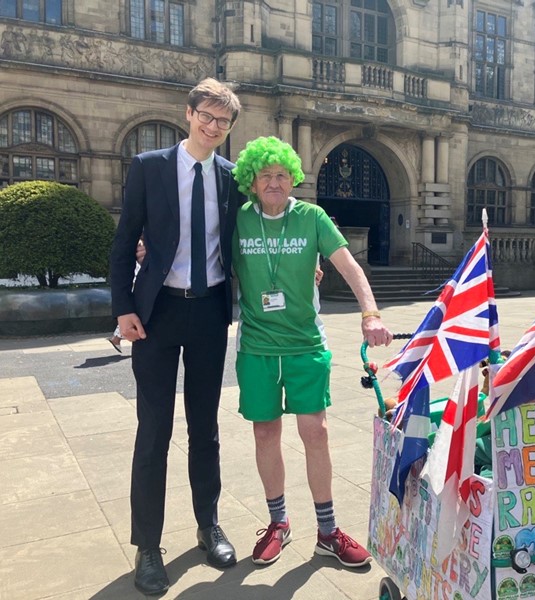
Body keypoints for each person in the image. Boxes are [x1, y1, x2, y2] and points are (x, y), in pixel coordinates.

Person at [230, 136, 393, 570]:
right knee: (265, 433)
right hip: (257, 347)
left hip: (305, 346)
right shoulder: (239, 220)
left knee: (315, 432)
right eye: (265, 176)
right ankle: (278, 523)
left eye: (282, 175)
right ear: (251, 181)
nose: (275, 183)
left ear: (293, 179)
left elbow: (349, 265)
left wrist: (370, 314)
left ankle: (327, 531)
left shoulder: (312, 217)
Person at [109, 78, 243, 595]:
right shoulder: (150, 167)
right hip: (157, 314)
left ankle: (208, 525)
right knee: (154, 430)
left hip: (209, 312)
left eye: (223, 121)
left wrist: (303, 271)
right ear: (188, 114)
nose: (213, 127)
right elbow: (124, 243)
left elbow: (252, 238)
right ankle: (148, 545)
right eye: (206, 116)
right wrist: (123, 309)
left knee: (205, 427)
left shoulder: (233, 177)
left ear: (230, 128)